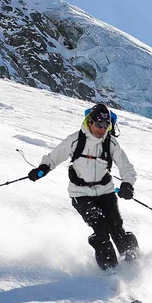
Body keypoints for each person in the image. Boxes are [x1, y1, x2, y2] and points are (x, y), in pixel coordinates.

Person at [28, 103, 140, 270]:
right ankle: (111, 272)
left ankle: (134, 266)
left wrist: (127, 185)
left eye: (106, 126)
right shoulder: (76, 139)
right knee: (100, 228)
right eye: (99, 125)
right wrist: (42, 169)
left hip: (105, 191)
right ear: (90, 122)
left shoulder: (111, 143)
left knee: (116, 227)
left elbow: (126, 168)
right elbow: (53, 157)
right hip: (80, 193)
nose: (102, 130)